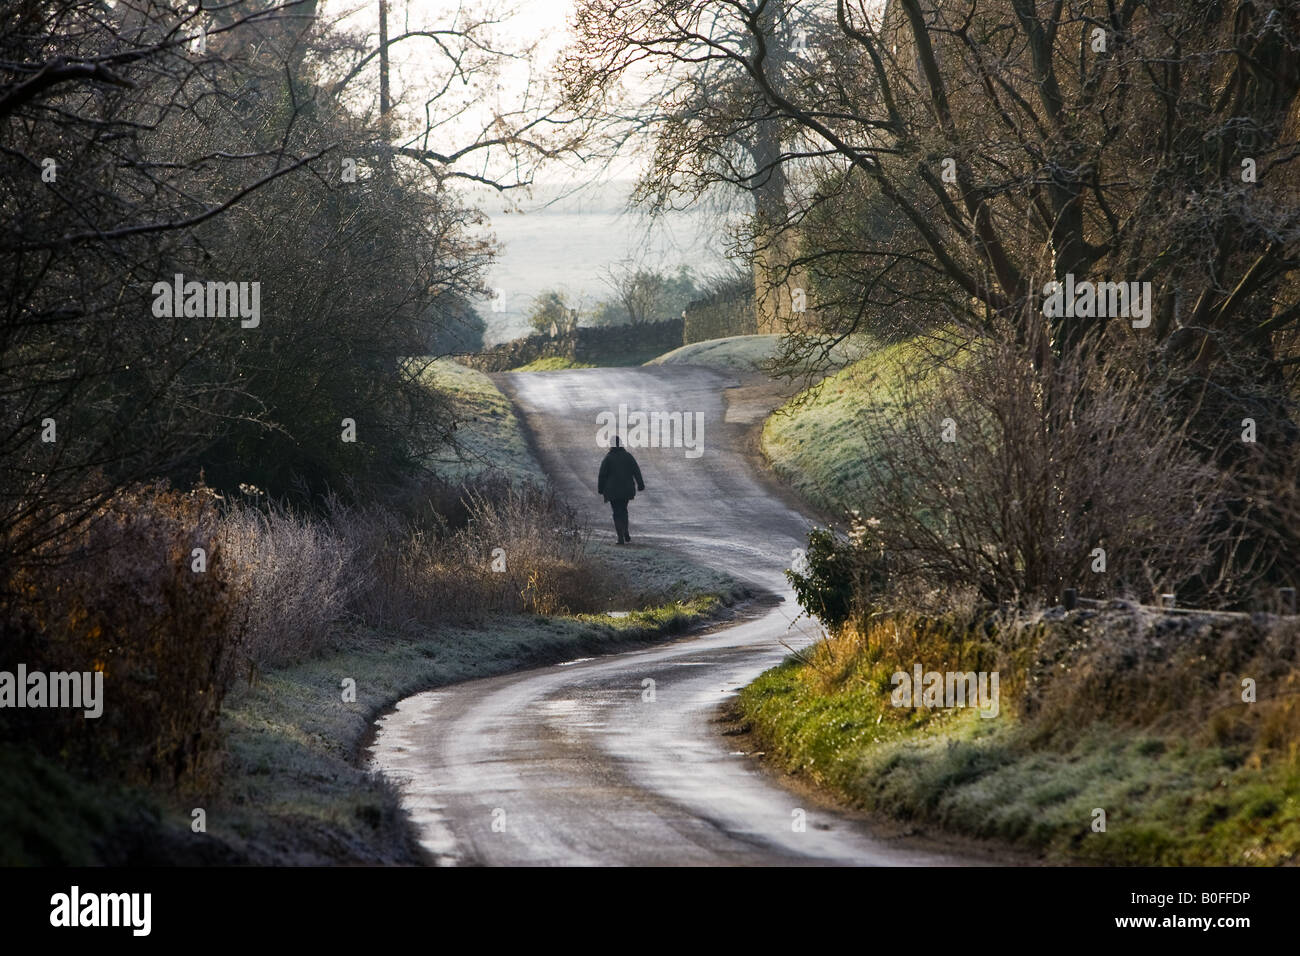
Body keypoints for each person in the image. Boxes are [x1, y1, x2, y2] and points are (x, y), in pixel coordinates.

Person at [597, 436, 645, 545]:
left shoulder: (608, 458)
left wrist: (600, 489)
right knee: (623, 510)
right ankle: (625, 530)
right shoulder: (628, 457)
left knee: (616, 512)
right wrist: (640, 484)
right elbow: (636, 471)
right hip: (626, 490)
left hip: (612, 491)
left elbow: (602, 475)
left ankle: (620, 537)